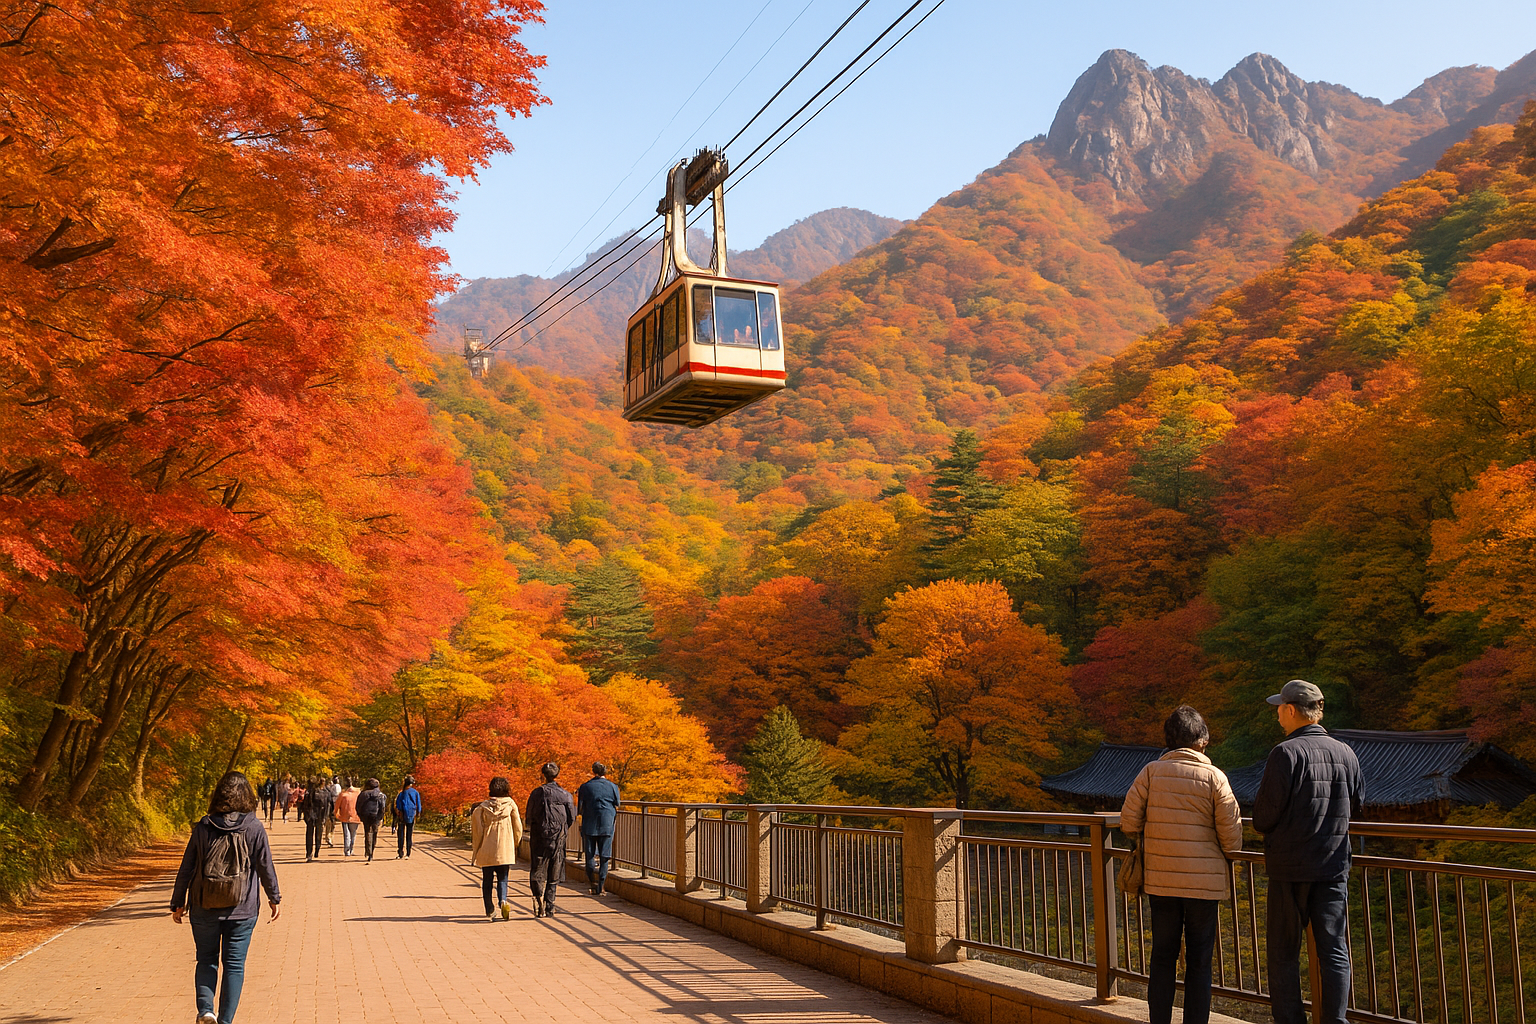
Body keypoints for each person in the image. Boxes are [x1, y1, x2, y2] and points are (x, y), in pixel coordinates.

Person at [1119, 706, 1242, 1024]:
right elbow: (1231, 837)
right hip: (1204, 885)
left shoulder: (1150, 772)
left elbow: (1128, 821)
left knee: (1163, 957)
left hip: (1161, 881)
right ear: (1202, 740)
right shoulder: (1215, 777)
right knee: (1199, 961)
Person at [1253, 679, 1365, 1024]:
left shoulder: (1285, 753)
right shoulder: (1346, 753)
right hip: (1333, 866)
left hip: (1290, 868)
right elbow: (1358, 805)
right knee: (1334, 950)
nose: (1277, 716)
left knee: (1284, 953)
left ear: (1290, 710)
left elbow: (1264, 816)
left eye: (1279, 709)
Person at [170, 771, 281, 1024]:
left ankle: (206, 1010)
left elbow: (187, 867)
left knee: (206, 959)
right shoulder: (254, 827)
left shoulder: (203, 826)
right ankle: (225, 1021)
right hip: (242, 908)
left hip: (204, 905)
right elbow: (265, 865)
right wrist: (274, 897)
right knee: (234, 965)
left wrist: (178, 902)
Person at [471, 776, 525, 921]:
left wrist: (476, 850)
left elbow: (477, 832)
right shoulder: (511, 804)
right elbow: (518, 827)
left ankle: (489, 909)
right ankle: (503, 901)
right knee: (503, 878)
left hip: (487, 849)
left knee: (487, 880)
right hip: (504, 849)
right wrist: (515, 843)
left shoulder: (482, 808)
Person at [525, 762, 575, 918]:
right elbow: (571, 817)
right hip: (558, 836)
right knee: (555, 868)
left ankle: (537, 896)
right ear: (557, 774)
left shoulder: (536, 793)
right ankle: (550, 905)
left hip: (538, 835)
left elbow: (529, 817)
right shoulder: (565, 795)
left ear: (543, 775)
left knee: (537, 867)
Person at [576, 762, 621, 896]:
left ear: (593, 771)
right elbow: (617, 803)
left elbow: (580, 808)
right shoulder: (613, 786)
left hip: (589, 823)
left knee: (589, 854)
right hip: (607, 823)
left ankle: (592, 882)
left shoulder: (585, 787)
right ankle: (601, 885)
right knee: (604, 856)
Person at [299, 775, 333, 861]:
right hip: (318, 815)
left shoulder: (310, 792)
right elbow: (328, 805)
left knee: (311, 834)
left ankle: (310, 852)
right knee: (317, 833)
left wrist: (305, 815)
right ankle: (315, 850)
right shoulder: (325, 792)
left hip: (313, 815)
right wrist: (326, 816)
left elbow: (305, 805)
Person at [356, 778, 387, 863]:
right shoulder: (381, 795)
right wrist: (380, 817)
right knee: (375, 833)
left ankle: (368, 851)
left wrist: (360, 815)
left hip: (366, 816)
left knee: (367, 832)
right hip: (376, 816)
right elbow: (383, 807)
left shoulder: (363, 794)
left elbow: (358, 806)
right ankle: (371, 852)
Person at [395, 776, 422, 859]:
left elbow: (398, 804)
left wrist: (398, 812)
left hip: (402, 814)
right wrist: (418, 812)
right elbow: (418, 803)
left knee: (401, 834)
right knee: (409, 834)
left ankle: (400, 852)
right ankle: (408, 853)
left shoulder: (401, 793)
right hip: (411, 814)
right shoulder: (415, 792)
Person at [334, 777, 362, 857]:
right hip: (355, 816)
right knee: (353, 834)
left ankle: (347, 851)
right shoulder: (358, 793)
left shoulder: (343, 794)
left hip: (344, 816)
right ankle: (351, 849)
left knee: (347, 834)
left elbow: (337, 806)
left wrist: (336, 814)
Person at [323, 775, 342, 848]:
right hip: (333, 807)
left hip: (331, 808)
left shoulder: (330, 788)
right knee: (331, 824)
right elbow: (337, 795)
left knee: (330, 823)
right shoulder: (336, 787)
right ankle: (329, 837)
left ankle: (328, 837)